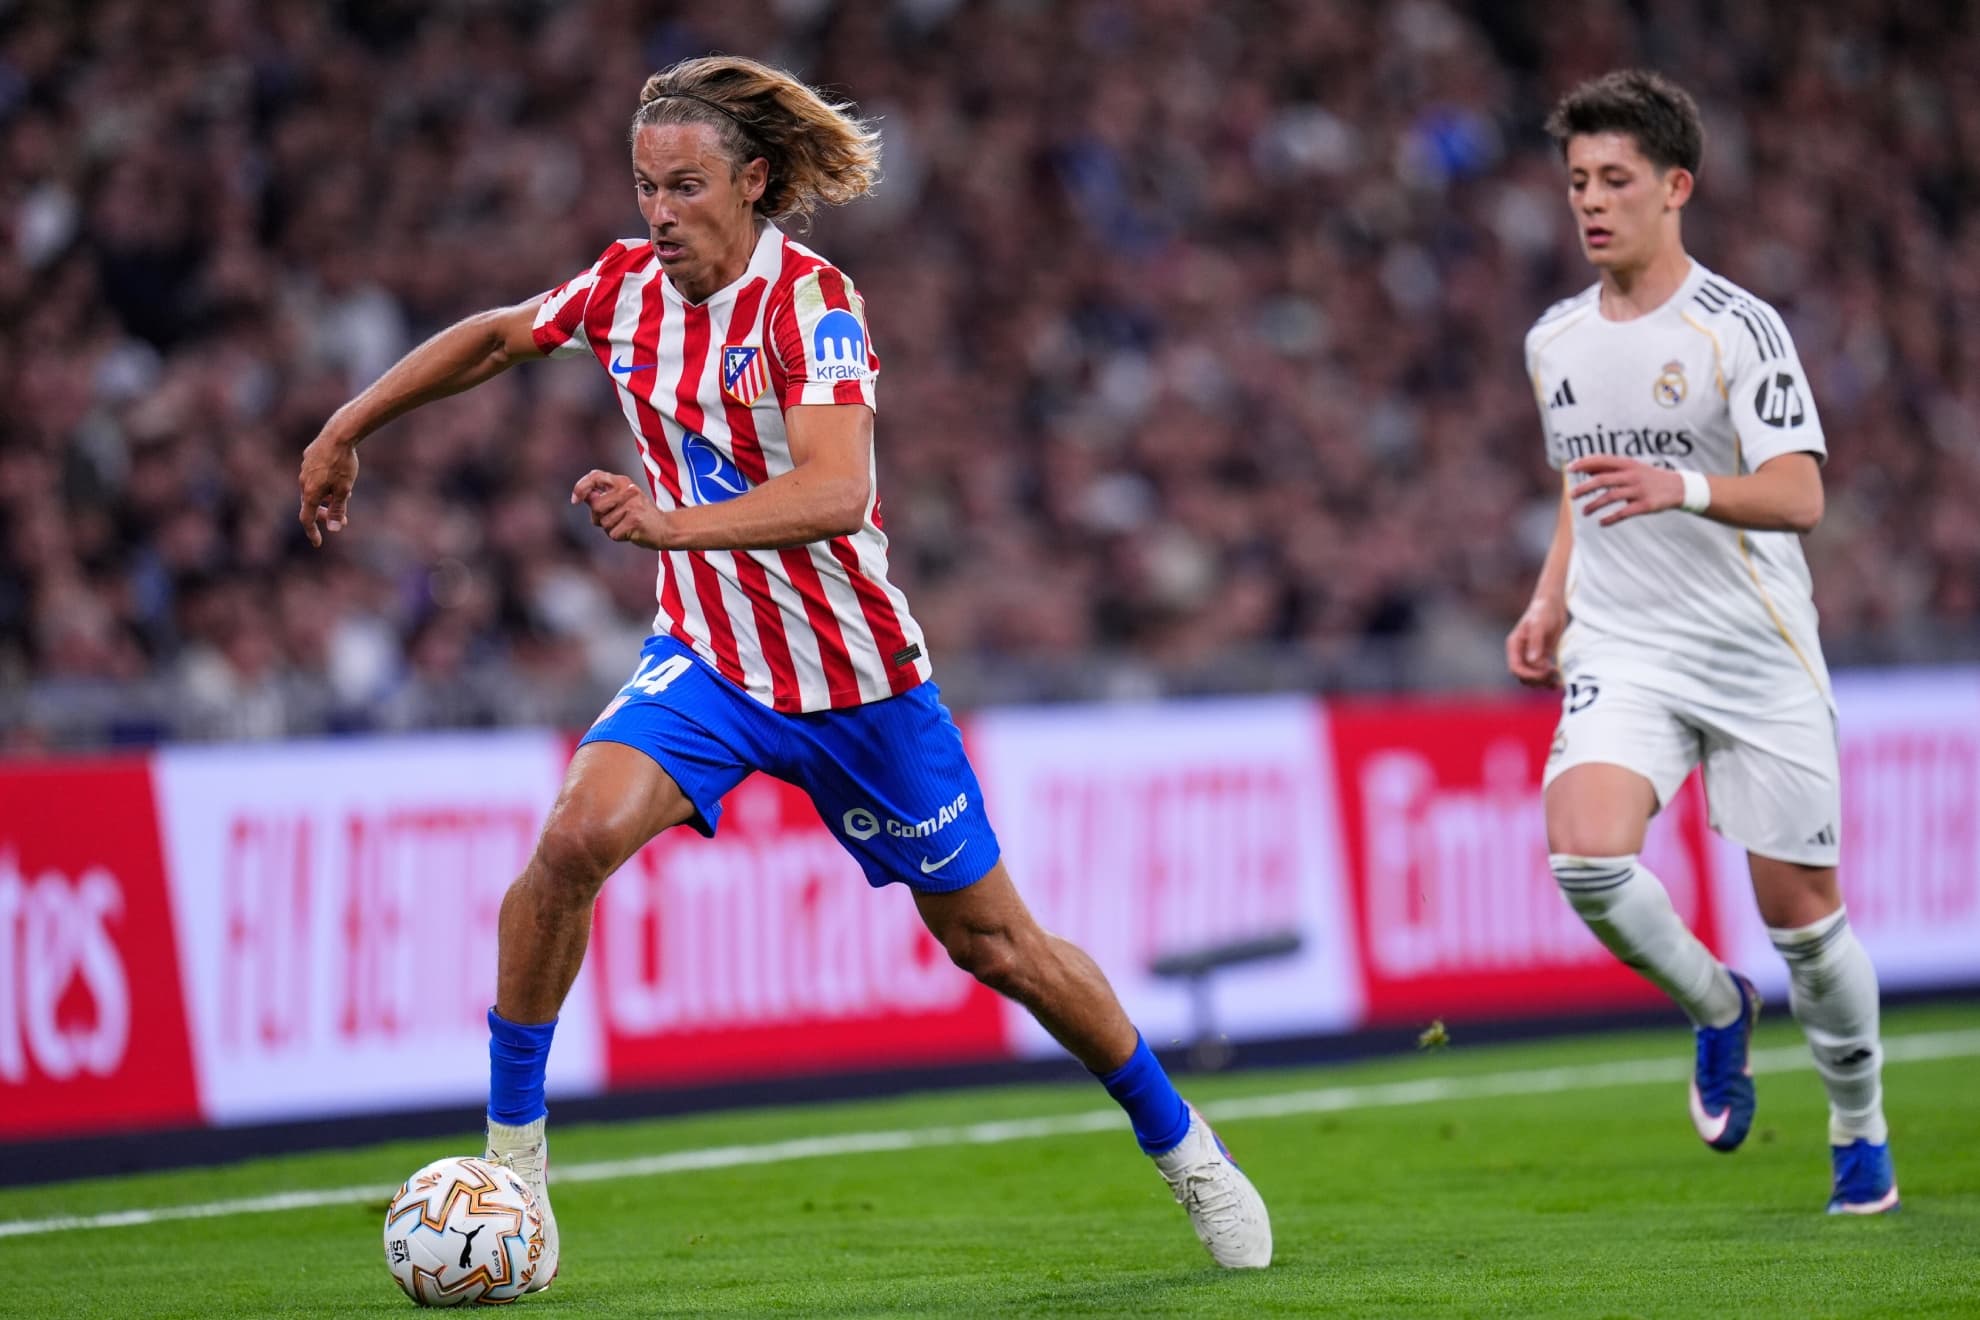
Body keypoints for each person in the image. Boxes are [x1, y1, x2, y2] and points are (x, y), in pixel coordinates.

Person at [297, 56, 1271, 1289]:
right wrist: (343, 432)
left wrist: (671, 526)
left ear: (752, 182)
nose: (660, 212)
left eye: (687, 186)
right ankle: (515, 1159)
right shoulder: (622, 289)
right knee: (572, 843)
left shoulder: (813, 304)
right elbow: (497, 337)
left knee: (999, 948)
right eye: (646, 185)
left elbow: (836, 489)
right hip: (710, 661)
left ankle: (1181, 1143)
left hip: (859, 681)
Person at [1506, 69, 1895, 1215]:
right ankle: (1719, 1004)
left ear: (1677, 188)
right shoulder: (1554, 341)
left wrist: (1682, 484)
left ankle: (1858, 1126)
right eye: (1578, 180)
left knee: (1809, 926)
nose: (1592, 201)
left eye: (1616, 179)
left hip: (1750, 651)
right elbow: (1587, 489)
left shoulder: (1738, 330)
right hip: (1626, 646)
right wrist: (1550, 601)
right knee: (1583, 850)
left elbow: (1799, 497)